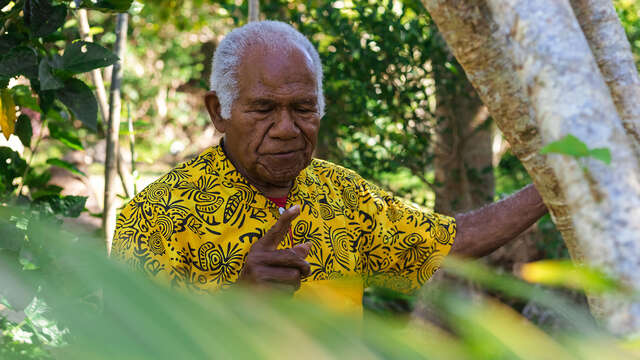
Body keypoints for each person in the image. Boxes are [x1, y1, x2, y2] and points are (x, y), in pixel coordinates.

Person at [111, 21, 548, 313]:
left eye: (303, 107)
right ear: (218, 111)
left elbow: (444, 243)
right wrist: (240, 300)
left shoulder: (341, 194)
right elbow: (121, 342)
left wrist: (557, 179)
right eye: (263, 109)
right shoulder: (156, 217)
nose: (286, 129)